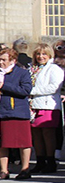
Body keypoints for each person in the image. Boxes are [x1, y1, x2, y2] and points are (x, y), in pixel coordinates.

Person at [0, 48, 33, 180]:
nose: (1, 62)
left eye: (4, 60)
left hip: (17, 112)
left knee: (24, 142)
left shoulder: (22, 73)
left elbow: (25, 90)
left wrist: (4, 86)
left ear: (13, 60)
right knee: (2, 142)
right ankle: (4, 170)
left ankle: (25, 169)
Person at [29, 44, 64, 173]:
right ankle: (40, 160)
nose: (40, 57)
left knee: (48, 134)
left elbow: (54, 87)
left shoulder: (54, 69)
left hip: (48, 105)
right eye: (38, 54)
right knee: (36, 134)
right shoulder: (32, 69)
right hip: (34, 105)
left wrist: (33, 91)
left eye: (44, 54)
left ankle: (50, 161)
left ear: (49, 55)